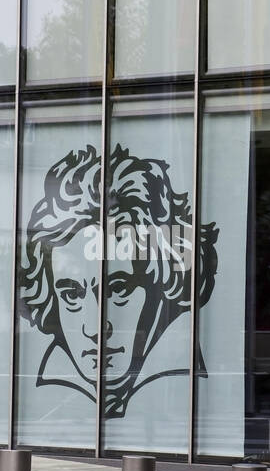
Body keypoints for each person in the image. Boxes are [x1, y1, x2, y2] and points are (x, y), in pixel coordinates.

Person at [18, 144, 218, 418]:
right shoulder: (39, 406)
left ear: (166, 284)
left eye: (118, 289)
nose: (95, 329)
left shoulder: (191, 393)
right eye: (72, 295)